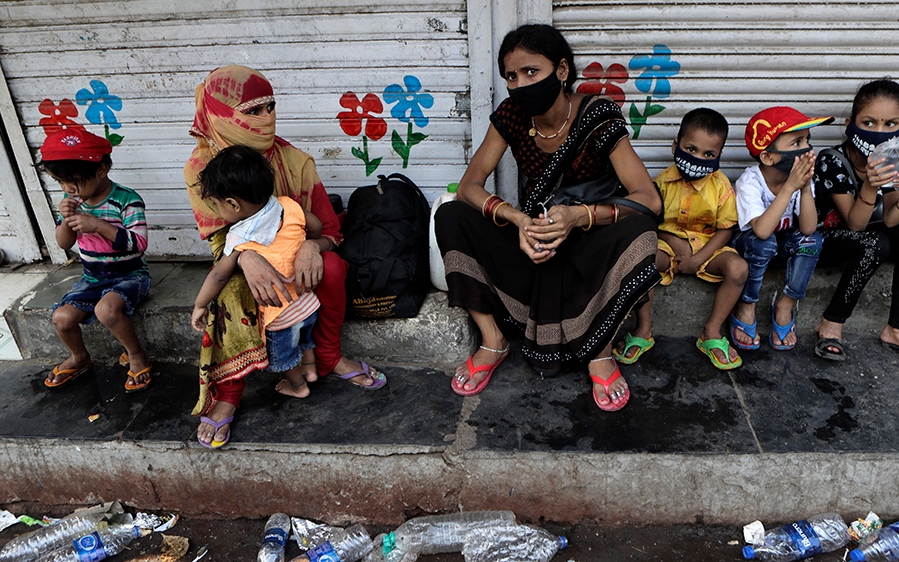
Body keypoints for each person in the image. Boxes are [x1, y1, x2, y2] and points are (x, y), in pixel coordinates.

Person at [435, 24, 662, 412]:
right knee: (451, 214)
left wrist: (579, 217)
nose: (520, 84)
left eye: (531, 72)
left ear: (560, 70)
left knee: (641, 231)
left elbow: (649, 200)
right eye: (511, 76)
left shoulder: (597, 115)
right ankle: (493, 340)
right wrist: (517, 219)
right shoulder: (511, 116)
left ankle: (600, 349)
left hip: (588, 243)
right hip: (535, 239)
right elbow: (471, 184)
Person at [185, 65, 386, 448]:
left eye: (270, 106)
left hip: (295, 258)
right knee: (228, 292)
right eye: (253, 110)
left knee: (330, 267)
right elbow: (218, 244)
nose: (267, 117)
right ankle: (229, 392)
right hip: (238, 257)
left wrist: (313, 246)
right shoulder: (199, 170)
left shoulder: (296, 162)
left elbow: (330, 231)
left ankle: (326, 357)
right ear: (222, 114)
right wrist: (245, 257)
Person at [812, 79, 899, 370]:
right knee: (876, 242)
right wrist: (870, 185)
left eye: (890, 124)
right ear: (851, 124)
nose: (879, 132)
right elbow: (855, 224)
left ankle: (898, 329)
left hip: (863, 236)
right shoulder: (831, 160)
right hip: (823, 239)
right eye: (869, 122)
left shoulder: (890, 159)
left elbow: (891, 218)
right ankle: (831, 321)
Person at [192, 146, 323, 421]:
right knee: (307, 337)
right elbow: (316, 225)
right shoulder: (288, 205)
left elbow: (219, 275)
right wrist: (304, 243)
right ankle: (311, 369)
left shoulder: (239, 239)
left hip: (279, 315)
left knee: (285, 357)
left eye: (216, 204)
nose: (217, 210)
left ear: (233, 204)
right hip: (308, 301)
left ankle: (298, 385)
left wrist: (200, 305)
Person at [614, 108, 749, 370]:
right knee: (645, 259)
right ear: (676, 145)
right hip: (667, 245)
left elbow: (725, 229)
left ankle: (711, 331)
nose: (698, 158)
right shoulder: (661, 182)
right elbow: (647, 220)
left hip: (707, 248)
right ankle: (643, 329)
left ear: (719, 155)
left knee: (739, 268)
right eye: (691, 149)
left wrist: (698, 257)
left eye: (709, 154)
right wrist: (671, 241)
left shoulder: (721, 187)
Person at [41, 128, 153, 392]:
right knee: (62, 317)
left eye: (74, 181)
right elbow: (64, 243)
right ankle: (80, 357)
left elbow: (139, 244)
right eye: (60, 182)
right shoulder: (72, 202)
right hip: (92, 278)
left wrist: (99, 226)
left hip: (131, 276)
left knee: (106, 310)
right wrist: (67, 221)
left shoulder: (127, 200)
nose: (68, 189)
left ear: (101, 170)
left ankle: (136, 355)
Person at [730, 107, 828, 351]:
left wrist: (804, 188)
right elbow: (761, 231)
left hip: (781, 242)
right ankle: (746, 304)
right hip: (752, 245)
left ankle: (786, 303)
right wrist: (788, 188)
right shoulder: (750, 182)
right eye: (797, 142)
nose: (807, 149)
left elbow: (807, 228)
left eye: (807, 141)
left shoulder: (800, 180)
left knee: (812, 240)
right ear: (768, 157)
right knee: (764, 241)